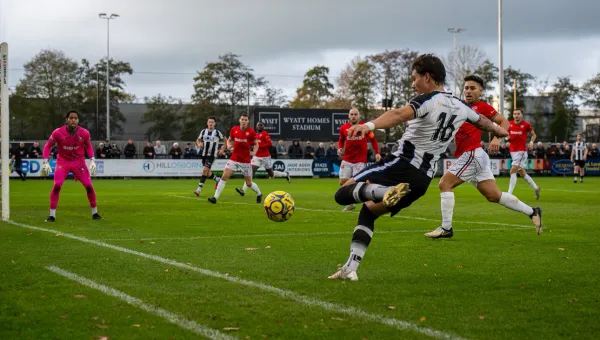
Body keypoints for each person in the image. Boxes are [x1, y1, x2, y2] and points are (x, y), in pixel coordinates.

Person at [327, 54, 508, 281]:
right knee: (368, 211)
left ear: (428, 77)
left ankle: (384, 192)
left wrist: (368, 124)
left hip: (402, 164)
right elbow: (482, 121)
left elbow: (398, 115)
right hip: (422, 180)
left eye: (414, 78)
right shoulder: (462, 107)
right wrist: (500, 131)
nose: (413, 84)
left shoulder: (428, 100)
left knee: (342, 194)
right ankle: (351, 268)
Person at [424, 74, 543, 239]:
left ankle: (446, 228)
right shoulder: (459, 106)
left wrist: (496, 137)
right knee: (494, 196)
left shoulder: (482, 106)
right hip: (473, 155)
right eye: (466, 88)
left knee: (444, 183)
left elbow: (504, 123)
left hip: (473, 154)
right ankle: (533, 212)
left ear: (481, 91)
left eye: (472, 88)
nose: (468, 91)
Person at [40, 110, 101, 222]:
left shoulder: (84, 133)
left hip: (79, 163)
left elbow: (88, 146)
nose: (73, 120)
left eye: (75, 118)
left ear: (78, 120)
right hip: (63, 162)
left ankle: (95, 213)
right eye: (71, 118)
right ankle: (52, 215)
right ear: (66, 120)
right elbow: (48, 146)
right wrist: (45, 161)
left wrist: (92, 159)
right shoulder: (58, 132)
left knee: (89, 186)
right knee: (57, 185)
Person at [209, 114, 262, 204]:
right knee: (224, 176)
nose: (244, 121)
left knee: (249, 183)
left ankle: (259, 193)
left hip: (245, 161)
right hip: (234, 158)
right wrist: (229, 145)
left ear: (248, 122)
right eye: (242, 119)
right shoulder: (234, 129)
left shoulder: (251, 132)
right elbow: (229, 140)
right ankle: (215, 198)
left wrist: (254, 153)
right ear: (239, 120)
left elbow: (256, 144)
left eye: (246, 120)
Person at [337, 108, 381, 211]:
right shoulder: (344, 128)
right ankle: (354, 200)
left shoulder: (365, 128)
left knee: (356, 182)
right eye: (351, 114)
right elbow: (341, 140)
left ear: (358, 116)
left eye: (355, 114)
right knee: (342, 181)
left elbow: (373, 140)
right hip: (347, 159)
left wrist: (377, 152)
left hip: (360, 160)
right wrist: (340, 148)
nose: (353, 116)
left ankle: (353, 202)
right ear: (349, 116)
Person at [237, 122, 290, 197]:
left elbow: (270, 144)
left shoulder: (265, 133)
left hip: (265, 156)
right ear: (256, 126)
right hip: (257, 156)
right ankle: (243, 190)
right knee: (250, 172)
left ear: (263, 127)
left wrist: (259, 146)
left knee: (271, 174)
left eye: (261, 125)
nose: (259, 126)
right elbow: (252, 143)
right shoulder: (255, 134)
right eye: (258, 125)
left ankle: (285, 174)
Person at [507, 109, 541, 199]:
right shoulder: (509, 124)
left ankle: (509, 194)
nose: (516, 115)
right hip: (512, 151)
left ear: (521, 115)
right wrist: (507, 137)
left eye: (518, 114)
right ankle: (536, 188)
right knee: (522, 173)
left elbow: (534, 135)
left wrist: (531, 142)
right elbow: (505, 134)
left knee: (512, 170)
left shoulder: (526, 125)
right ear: (513, 115)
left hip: (521, 151)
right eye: (515, 114)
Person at [194, 117, 224, 196]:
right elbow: (198, 139)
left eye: (212, 122)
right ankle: (217, 179)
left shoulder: (217, 132)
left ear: (215, 123)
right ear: (207, 123)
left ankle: (198, 190)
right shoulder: (203, 131)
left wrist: (222, 149)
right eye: (209, 122)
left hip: (212, 155)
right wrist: (199, 143)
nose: (211, 123)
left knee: (204, 171)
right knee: (207, 172)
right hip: (204, 154)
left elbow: (225, 140)